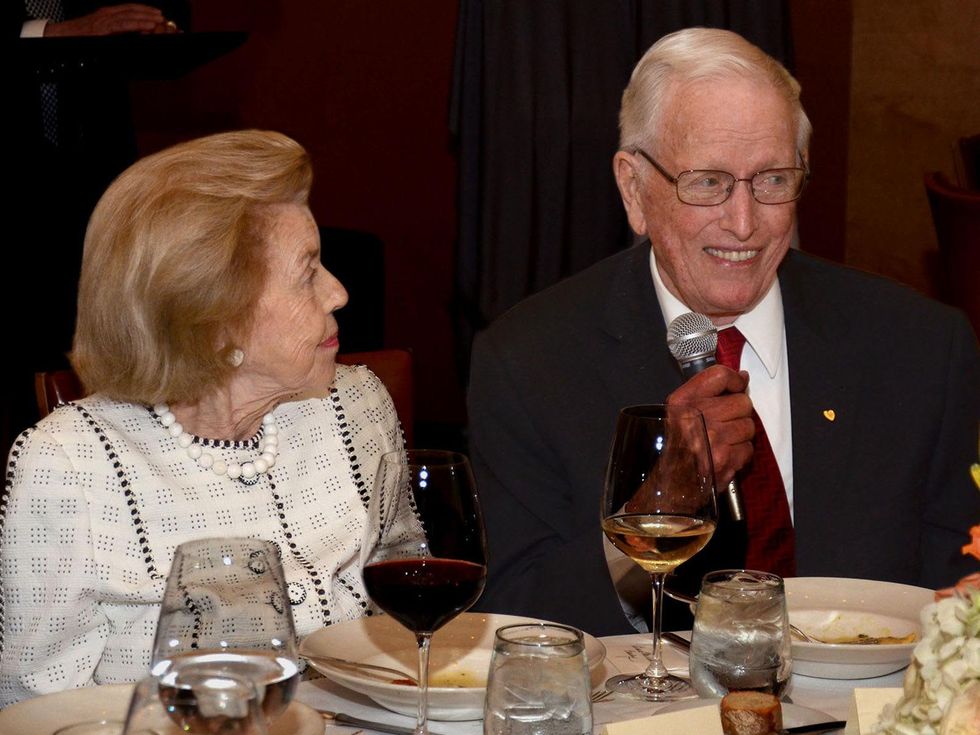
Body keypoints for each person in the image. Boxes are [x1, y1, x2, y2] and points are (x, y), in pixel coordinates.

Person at [468, 28, 980, 636]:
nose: (743, 223)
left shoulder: (921, 348)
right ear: (634, 189)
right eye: (707, 182)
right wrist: (658, 513)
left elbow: (960, 596)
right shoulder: (529, 362)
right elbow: (516, 617)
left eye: (773, 180)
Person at [0, 130, 405, 706]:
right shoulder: (70, 463)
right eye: (307, 271)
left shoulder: (355, 405)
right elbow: (34, 705)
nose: (338, 292)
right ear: (215, 322)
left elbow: (406, 619)